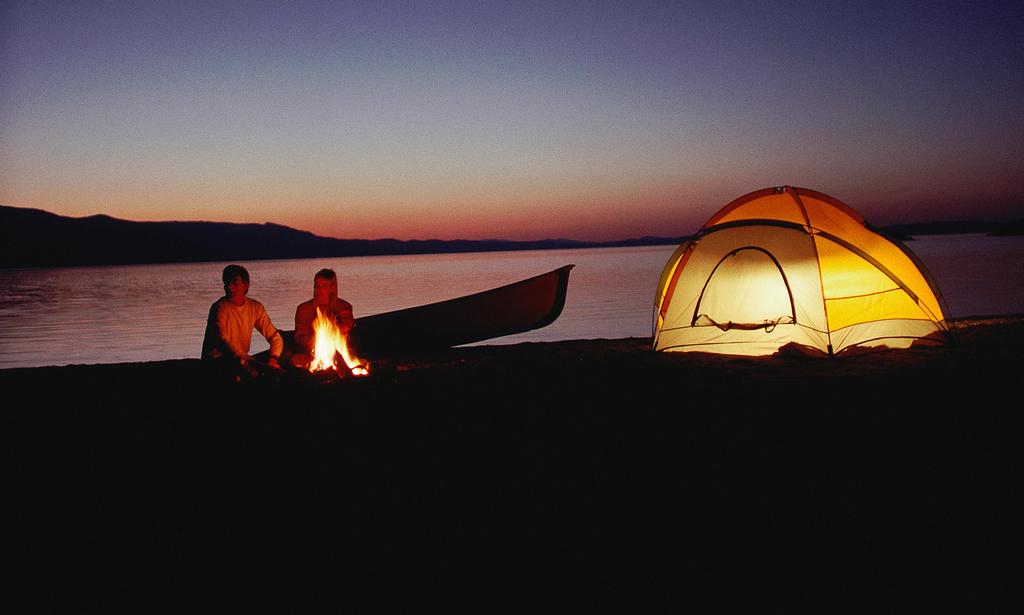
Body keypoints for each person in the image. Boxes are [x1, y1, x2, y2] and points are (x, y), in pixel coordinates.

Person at [201, 264, 284, 379]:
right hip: (218, 359)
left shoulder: (255, 307)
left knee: (281, 361)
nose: (230, 287)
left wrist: (273, 358)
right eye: (226, 282)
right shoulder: (219, 308)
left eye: (235, 283)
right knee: (253, 374)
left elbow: (274, 336)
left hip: (242, 358)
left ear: (246, 285)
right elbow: (223, 341)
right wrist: (248, 360)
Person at [290, 268, 355, 368]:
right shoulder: (303, 309)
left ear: (332, 288)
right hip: (311, 355)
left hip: (340, 355)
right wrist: (315, 342)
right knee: (295, 360)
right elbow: (300, 335)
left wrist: (332, 333)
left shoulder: (343, 306)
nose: (318, 289)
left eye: (323, 286)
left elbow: (347, 324)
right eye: (316, 285)